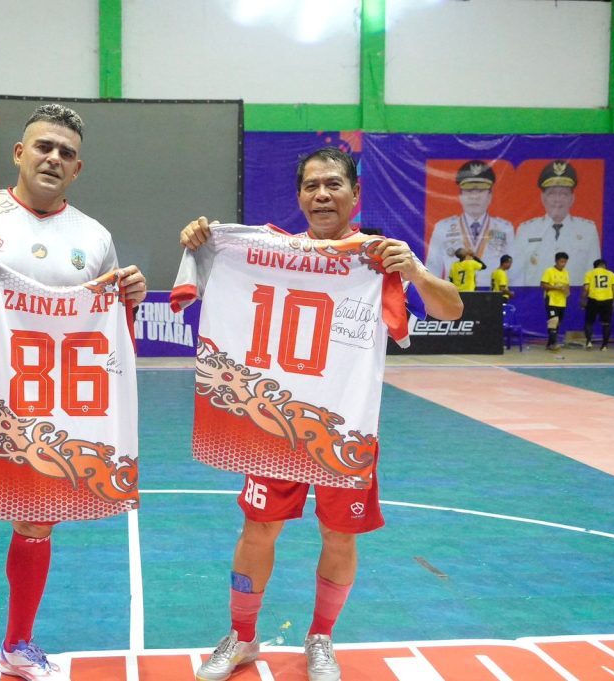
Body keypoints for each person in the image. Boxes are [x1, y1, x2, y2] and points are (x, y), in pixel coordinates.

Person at [178, 147, 462, 681]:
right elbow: (206, 269)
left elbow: (451, 309)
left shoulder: (378, 259)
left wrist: (416, 271)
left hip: (344, 428)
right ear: (300, 197)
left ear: (355, 194)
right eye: (311, 186)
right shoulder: (268, 253)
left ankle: (321, 638)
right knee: (258, 528)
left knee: (339, 535)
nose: (322, 194)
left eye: (333, 184)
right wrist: (201, 239)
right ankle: (241, 637)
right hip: (275, 421)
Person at [0, 103, 147, 681]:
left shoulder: (94, 237)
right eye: (43, 146)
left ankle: (17, 646)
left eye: (66, 153)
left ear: (77, 168)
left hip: (48, 414)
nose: (53, 158)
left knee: (36, 526)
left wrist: (132, 299)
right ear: (19, 153)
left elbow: (107, 333)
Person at [425, 160, 513, 288]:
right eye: (469, 190)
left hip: (492, 292)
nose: (474, 196)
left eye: (480, 190)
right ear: (460, 195)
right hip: (454, 292)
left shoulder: (505, 228)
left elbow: (513, 273)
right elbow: (432, 270)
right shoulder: (443, 228)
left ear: (490, 195)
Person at [513, 161, 600, 287]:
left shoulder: (588, 230)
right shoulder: (526, 230)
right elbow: (517, 275)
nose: (557, 200)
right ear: (543, 198)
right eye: (552, 193)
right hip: (536, 297)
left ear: (572, 198)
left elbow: (595, 274)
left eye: (564, 194)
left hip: (573, 297)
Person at [581, 258, 614, 350]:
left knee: (589, 322)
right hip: (607, 300)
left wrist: (583, 300)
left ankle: (589, 342)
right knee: (606, 323)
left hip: (593, 299)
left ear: (595, 266)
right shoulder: (611, 274)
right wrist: (613, 301)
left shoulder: (589, 273)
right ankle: (604, 345)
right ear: (604, 265)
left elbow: (586, 288)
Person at [541, 252, 570, 351]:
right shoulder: (549, 271)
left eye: (565, 262)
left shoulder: (566, 273)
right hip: (551, 300)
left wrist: (566, 291)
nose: (563, 264)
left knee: (558, 323)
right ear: (556, 261)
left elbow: (567, 286)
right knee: (553, 321)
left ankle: (549, 344)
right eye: (561, 261)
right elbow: (543, 285)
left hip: (562, 301)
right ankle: (553, 343)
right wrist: (556, 287)